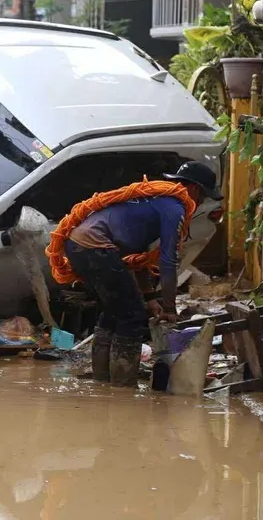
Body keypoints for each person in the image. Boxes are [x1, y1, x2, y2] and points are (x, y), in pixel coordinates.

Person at [46, 162, 222, 387]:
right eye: (204, 197)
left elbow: (138, 259)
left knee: (112, 312)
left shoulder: (155, 200)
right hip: (97, 247)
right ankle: (122, 385)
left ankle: (102, 381)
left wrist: (150, 298)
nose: (199, 204)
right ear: (195, 189)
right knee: (133, 316)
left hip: (78, 245)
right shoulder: (175, 206)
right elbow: (168, 260)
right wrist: (169, 308)